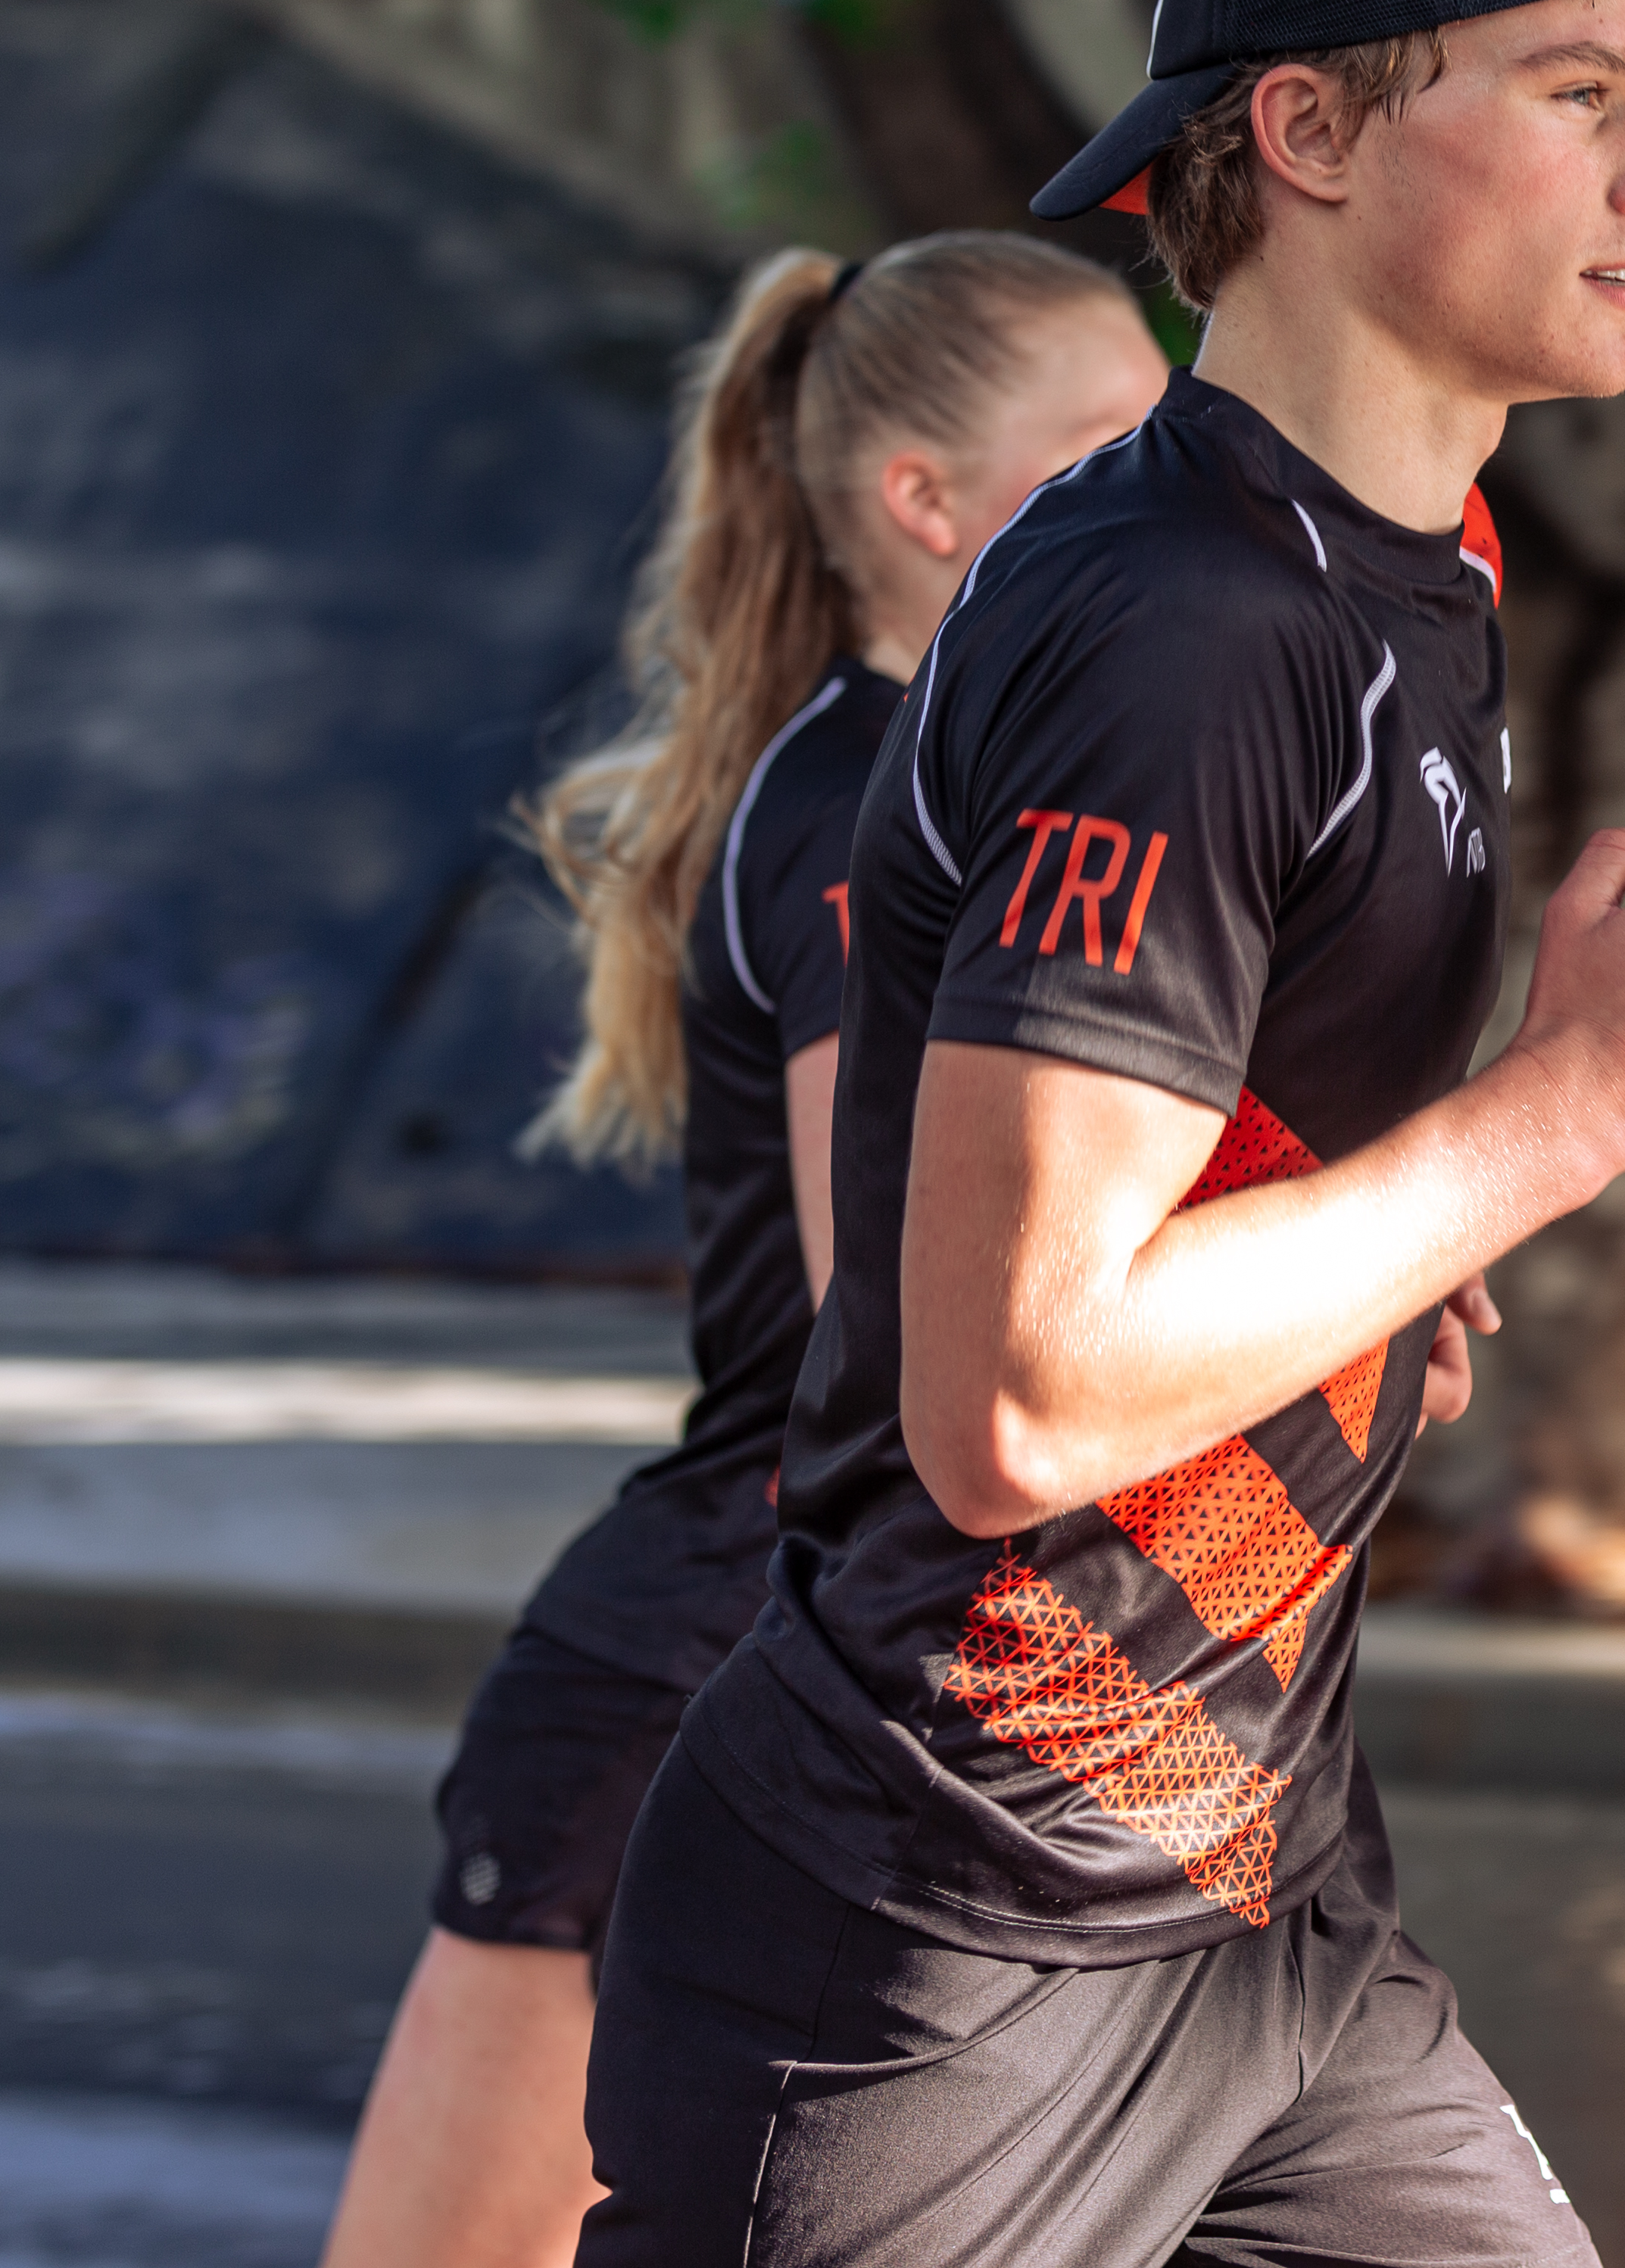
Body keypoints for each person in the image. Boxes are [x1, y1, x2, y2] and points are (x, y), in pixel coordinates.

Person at [577, 0, 1625, 2268]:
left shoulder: (1408, 576)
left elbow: (1175, 1183)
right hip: (946, 1950)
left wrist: (1375, 1270)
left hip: (1259, 1908)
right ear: (1311, 128)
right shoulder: (1190, 625)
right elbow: (1019, 1399)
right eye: (1579, 101)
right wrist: (1567, 1114)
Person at [320, 232, 1168, 2268]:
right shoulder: (870, 808)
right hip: (716, 1681)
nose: (1178, 503)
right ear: (924, 504)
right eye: (1115, 453)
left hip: (959, 1679)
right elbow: (908, 1319)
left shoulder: (978, 790)